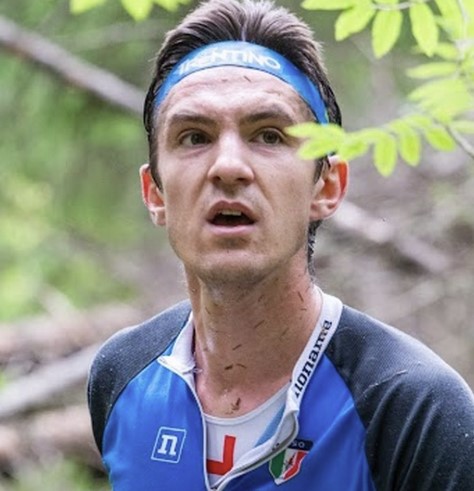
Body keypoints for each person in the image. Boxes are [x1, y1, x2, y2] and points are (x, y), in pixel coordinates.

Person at [87, 0, 474, 489]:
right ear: (155, 193)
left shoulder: (412, 408)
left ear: (326, 186)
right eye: (194, 137)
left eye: (269, 135)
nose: (228, 166)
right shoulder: (122, 378)